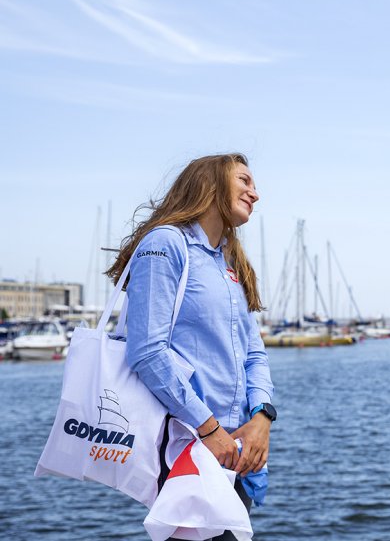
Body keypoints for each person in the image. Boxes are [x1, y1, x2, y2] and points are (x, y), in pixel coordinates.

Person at [106, 153, 276, 540]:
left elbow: (254, 353)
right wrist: (209, 427)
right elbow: (147, 350)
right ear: (212, 183)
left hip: (233, 452)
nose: (256, 193)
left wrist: (263, 417)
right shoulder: (166, 244)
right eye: (245, 181)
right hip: (190, 446)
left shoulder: (230, 261)